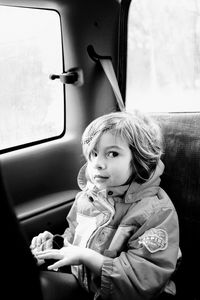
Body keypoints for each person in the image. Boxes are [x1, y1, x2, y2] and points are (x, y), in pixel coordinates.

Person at [30, 110, 181, 300]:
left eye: (112, 153)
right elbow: (75, 235)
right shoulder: (87, 198)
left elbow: (144, 279)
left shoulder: (155, 212)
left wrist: (88, 257)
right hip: (90, 288)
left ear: (138, 160)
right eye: (93, 153)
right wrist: (56, 245)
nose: (98, 163)